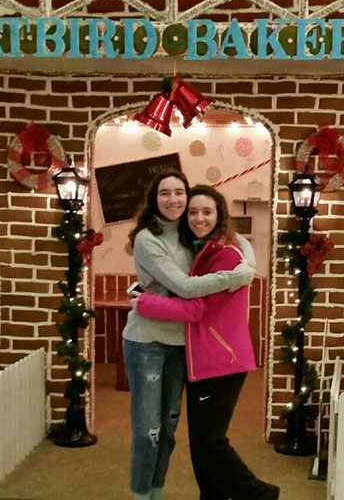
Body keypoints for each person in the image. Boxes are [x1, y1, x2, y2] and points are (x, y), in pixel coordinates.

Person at [132, 185, 279, 500]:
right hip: (203, 359)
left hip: (222, 360)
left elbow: (198, 308)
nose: (199, 218)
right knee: (200, 442)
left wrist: (144, 303)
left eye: (207, 212)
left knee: (210, 441)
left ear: (219, 215)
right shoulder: (204, 250)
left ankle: (258, 493)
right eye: (193, 212)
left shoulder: (223, 254)